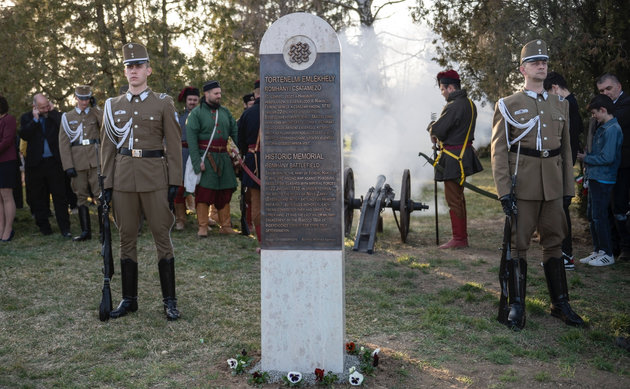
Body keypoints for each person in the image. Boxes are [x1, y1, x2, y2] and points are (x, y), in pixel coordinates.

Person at [491, 39, 584, 329]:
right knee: (518, 246)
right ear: (522, 69)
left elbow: (566, 150)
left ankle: (560, 303)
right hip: (524, 184)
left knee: (554, 243)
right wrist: (505, 191)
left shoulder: (561, 104)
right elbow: (499, 151)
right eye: (534, 62)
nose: (541, 65)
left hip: (553, 186)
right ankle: (517, 306)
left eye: (544, 61)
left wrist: (568, 189)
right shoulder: (508, 105)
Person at [101, 42, 182, 320]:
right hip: (123, 179)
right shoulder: (113, 106)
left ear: (148, 70)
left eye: (138, 66)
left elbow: (173, 143)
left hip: (154, 178)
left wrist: (175, 180)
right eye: (129, 66)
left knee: (162, 237)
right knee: (126, 238)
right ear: (125, 72)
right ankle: (129, 300)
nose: (133, 71)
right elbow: (107, 148)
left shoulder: (163, 102)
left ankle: (169, 301)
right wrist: (107, 184)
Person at [428, 69, 483, 248]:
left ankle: (459, 239)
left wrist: (431, 128)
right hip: (461, 154)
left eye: (443, 89)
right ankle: (461, 237)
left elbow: (439, 130)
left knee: (453, 199)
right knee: (458, 198)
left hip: (454, 158)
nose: (442, 93)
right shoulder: (469, 103)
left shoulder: (453, 106)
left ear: (450, 88)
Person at [186, 80, 239, 237]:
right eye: (216, 93)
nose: (219, 96)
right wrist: (197, 162)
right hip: (205, 157)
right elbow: (192, 140)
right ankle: (202, 226)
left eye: (220, 93)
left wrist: (237, 152)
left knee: (225, 191)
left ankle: (225, 226)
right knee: (204, 193)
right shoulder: (196, 113)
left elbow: (234, 133)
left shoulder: (225, 112)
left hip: (223, 157)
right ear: (207, 94)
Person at [543, 72, 584, 270]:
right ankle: (563, 253)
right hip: (563, 165)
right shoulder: (571, 104)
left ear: (555, 88)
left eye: (548, 92)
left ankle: (566, 255)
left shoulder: (568, 106)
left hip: (562, 166)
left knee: (560, 212)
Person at [576, 95, 623, 266]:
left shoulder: (612, 129)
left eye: (595, 113)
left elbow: (608, 157)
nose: (594, 116)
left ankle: (607, 253)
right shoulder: (603, 127)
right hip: (596, 177)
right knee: (593, 215)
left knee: (600, 216)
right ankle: (597, 251)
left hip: (604, 179)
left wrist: (586, 158)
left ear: (603, 110)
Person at [19, 93, 71, 237]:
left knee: (60, 196)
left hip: (54, 163)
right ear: (34, 107)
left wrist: (53, 111)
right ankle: (44, 228)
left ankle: (65, 228)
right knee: (38, 197)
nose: (45, 109)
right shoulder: (27, 118)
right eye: (42, 107)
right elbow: (24, 134)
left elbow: (64, 125)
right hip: (35, 165)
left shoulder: (55, 116)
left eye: (47, 105)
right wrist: (35, 120)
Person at [58, 85, 103, 241]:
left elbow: (105, 125)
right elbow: (63, 144)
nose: (84, 102)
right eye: (81, 98)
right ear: (75, 98)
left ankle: (104, 230)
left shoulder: (94, 114)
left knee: (100, 195)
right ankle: (86, 231)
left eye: (87, 98)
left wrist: (96, 107)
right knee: (81, 196)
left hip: (96, 160)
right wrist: (68, 166)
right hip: (77, 162)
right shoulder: (67, 117)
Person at [596, 74, 630, 261]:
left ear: (619, 86)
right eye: (601, 91)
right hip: (609, 166)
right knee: (609, 207)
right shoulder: (607, 108)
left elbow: (611, 121)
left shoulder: (626, 104)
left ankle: (626, 248)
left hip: (625, 165)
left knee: (620, 207)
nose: (606, 93)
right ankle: (615, 247)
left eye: (608, 89)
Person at [238, 80, 262, 248]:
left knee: (256, 202)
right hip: (280, 164)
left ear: (256, 94)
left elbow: (241, 143)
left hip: (254, 162)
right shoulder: (282, 110)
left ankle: (262, 241)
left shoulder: (247, 114)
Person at [174, 86, 200, 230]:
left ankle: (202, 220)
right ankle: (180, 220)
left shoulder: (204, 116)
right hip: (182, 155)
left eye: (195, 100)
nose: (192, 102)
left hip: (199, 154)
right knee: (180, 188)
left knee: (200, 188)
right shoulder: (179, 117)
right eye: (190, 100)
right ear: (186, 101)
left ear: (198, 101)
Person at [0, 95, 17, 242]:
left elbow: (6, 141)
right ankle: (1, 228)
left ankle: (8, 229)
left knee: (6, 195)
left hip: (6, 161)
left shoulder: (9, 119)